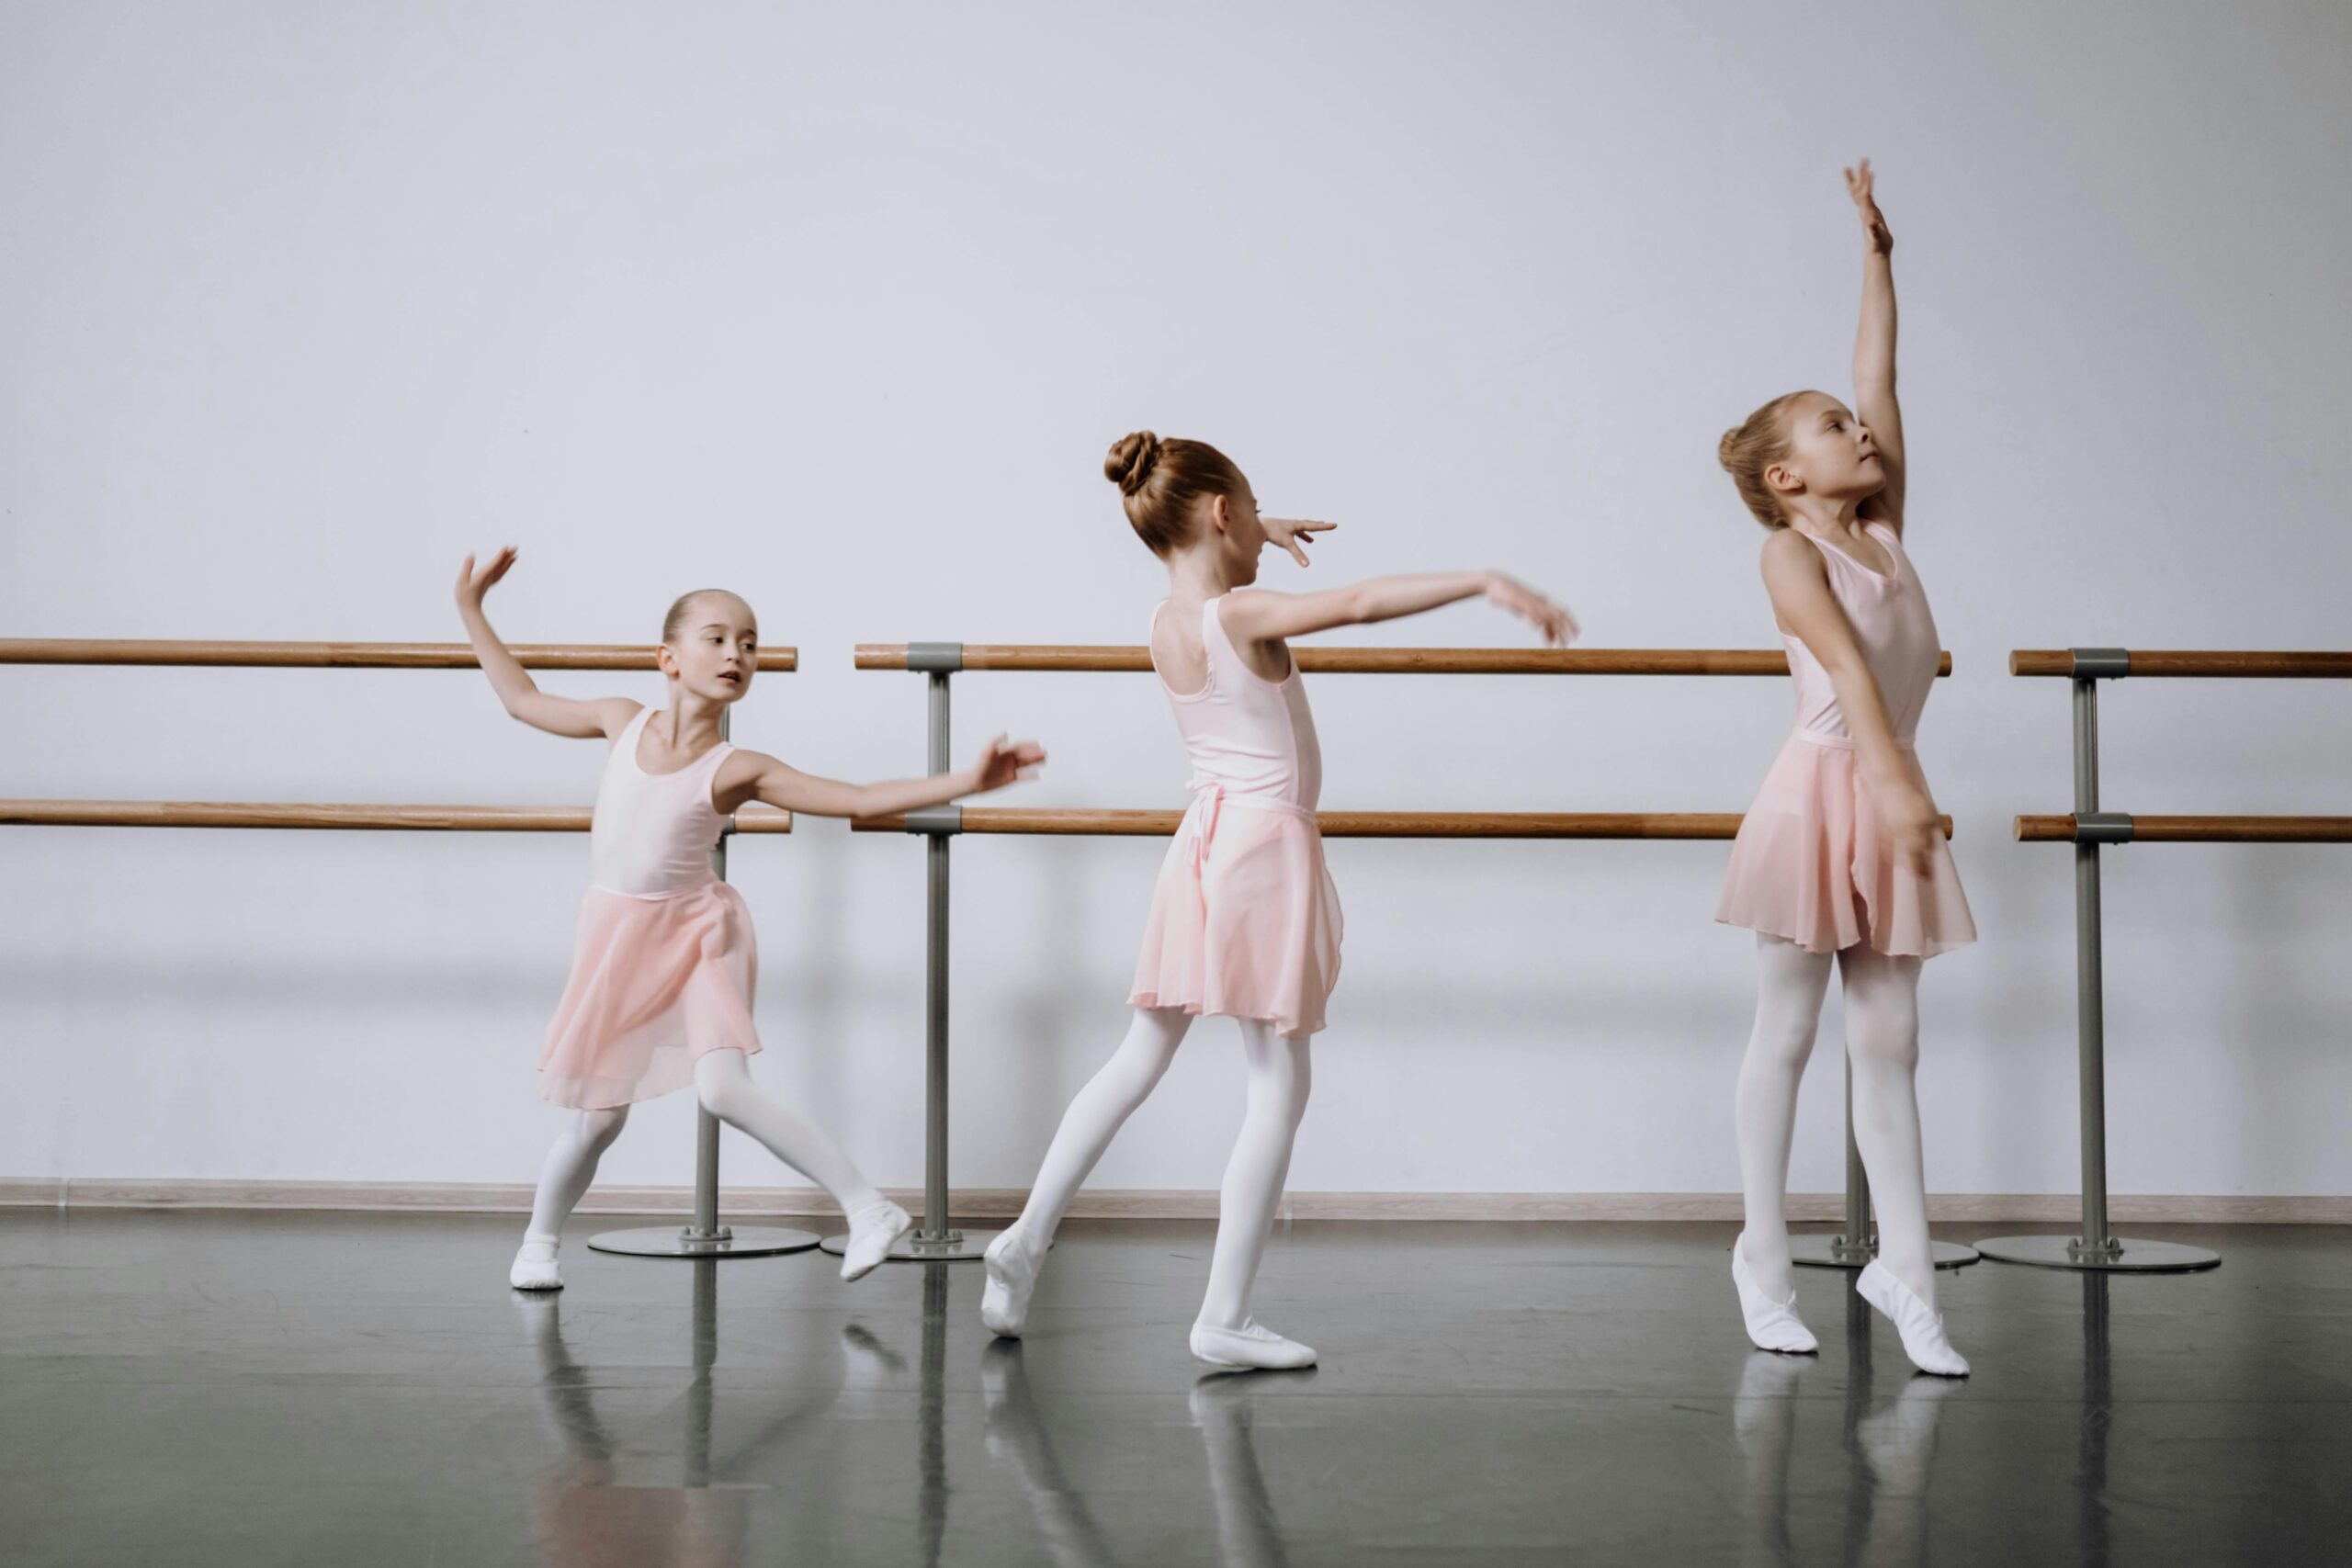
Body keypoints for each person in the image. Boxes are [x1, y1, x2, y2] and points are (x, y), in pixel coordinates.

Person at [979, 433, 1576, 1369]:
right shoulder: (1244, 615)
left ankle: (1023, 1237)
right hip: (1262, 850)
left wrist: (1258, 525)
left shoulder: (1167, 619)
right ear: (1220, 515)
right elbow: (1363, 602)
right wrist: (1482, 581)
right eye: (1250, 511)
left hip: (1203, 845)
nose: (1263, 527)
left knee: (1139, 1055)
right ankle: (1221, 1314)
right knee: (1278, 1082)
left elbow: (1222, 570)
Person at [453, 548, 1043, 1290]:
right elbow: (521, 698)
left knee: (723, 1087)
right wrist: (472, 608)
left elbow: (857, 798)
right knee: (599, 1117)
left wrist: (968, 780)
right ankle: (539, 1240)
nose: (737, 652)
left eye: (750, 641)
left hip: (700, 932)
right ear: (667, 657)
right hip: (616, 935)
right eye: (718, 636)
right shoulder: (618, 721)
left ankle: (869, 1208)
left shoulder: (738, 768)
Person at [1714, 162, 1974, 1376]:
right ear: (1784, 478)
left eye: (1852, 425)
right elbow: (1852, 679)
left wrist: (1878, 257)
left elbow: (1882, 376)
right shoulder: (1788, 554)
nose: (1858, 431)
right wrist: (1902, 787)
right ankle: (1762, 1251)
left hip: (1886, 787)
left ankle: (1906, 1267)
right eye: (1829, 429)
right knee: (1788, 1030)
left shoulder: (1883, 527)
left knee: (1894, 1034)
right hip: (1826, 791)